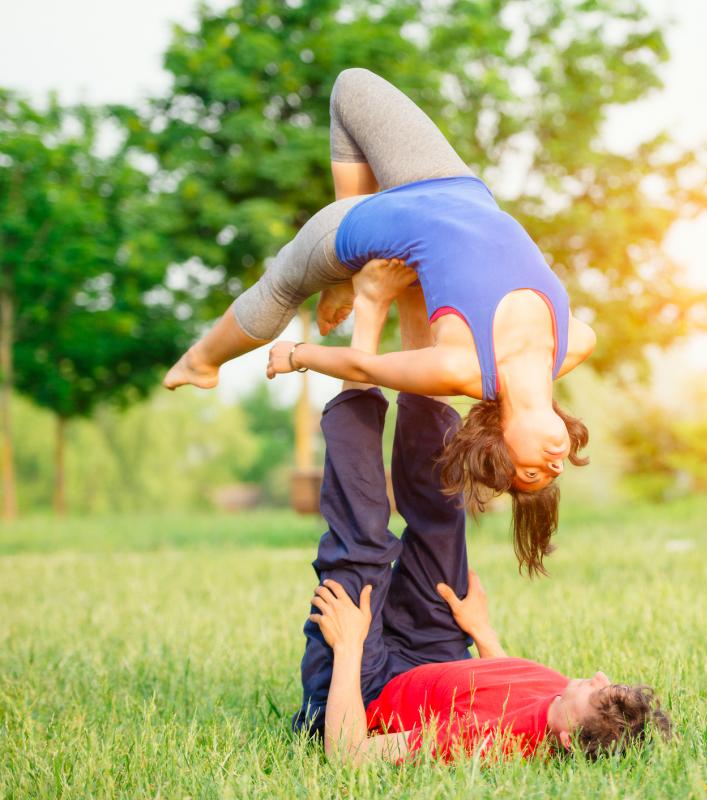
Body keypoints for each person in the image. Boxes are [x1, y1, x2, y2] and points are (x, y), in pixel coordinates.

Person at [165, 67, 596, 574]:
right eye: (555, 471)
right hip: (451, 185)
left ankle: (201, 361)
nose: (553, 463)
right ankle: (342, 276)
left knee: (282, 283)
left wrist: (300, 355)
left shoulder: (462, 368)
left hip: (368, 228)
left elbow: (366, 369)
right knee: (351, 86)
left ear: (498, 443)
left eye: (532, 472)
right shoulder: (574, 344)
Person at [295, 275, 669, 764]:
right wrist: (482, 631)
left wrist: (348, 647)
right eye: (608, 684)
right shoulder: (561, 696)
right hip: (435, 657)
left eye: (597, 694)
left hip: (363, 693)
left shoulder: (492, 742)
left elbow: (352, 755)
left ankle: (370, 308)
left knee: (362, 545)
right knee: (444, 521)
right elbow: (509, 691)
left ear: (566, 738)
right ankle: (414, 306)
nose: (597, 677)